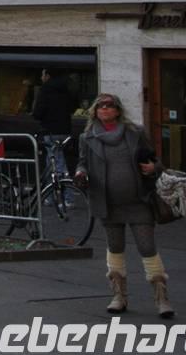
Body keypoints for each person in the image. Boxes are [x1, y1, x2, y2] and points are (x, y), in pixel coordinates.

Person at [74, 92, 172, 318]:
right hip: (107, 203)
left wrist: (153, 168)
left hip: (139, 201)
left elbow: (155, 160)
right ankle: (119, 296)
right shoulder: (88, 137)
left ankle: (162, 298)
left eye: (110, 106)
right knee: (115, 248)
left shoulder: (135, 133)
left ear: (118, 110)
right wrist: (81, 172)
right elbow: (82, 162)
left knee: (147, 247)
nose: (105, 110)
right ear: (95, 112)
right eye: (100, 107)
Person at [32, 68, 75, 181]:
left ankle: (67, 196)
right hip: (65, 130)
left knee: (57, 162)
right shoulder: (65, 89)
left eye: (42, 75)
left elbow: (37, 113)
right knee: (52, 161)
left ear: (47, 76)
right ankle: (50, 194)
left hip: (50, 131)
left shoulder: (45, 89)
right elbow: (73, 107)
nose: (41, 78)